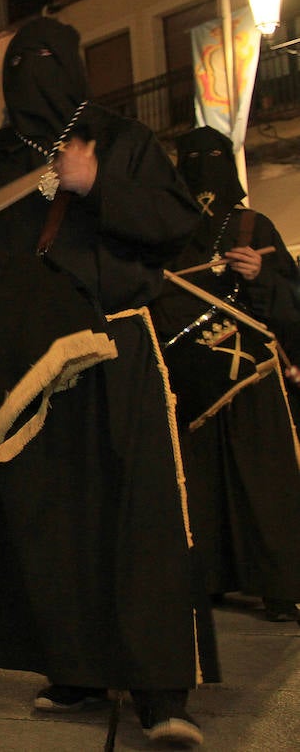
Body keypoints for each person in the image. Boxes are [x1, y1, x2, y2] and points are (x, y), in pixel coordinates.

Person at [0, 17, 213, 746]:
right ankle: (70, 667)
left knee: (139, 520)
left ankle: (161, 692)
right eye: (19, 63)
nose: (30, 74)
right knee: (49, 522)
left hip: (114, 350)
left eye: (45, 61)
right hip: (29, 368)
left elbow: (176, 227)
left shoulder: (119, 140)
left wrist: (96, 182)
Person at [155, 125, 300, 623]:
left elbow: (293, 298)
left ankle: (281, 586)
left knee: (266, 480)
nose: (203, 168)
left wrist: (261, 278)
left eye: (213, 157)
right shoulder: (166, 236)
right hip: (193, 380)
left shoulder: (254, 227)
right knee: (200, 483)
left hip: (251, 378)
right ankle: (211, 577)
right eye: (193, 158)